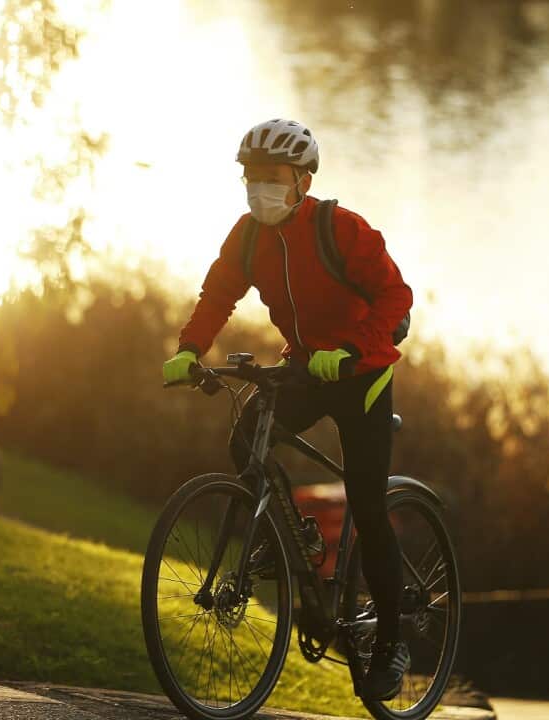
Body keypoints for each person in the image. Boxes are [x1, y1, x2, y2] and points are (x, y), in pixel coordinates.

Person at [161, 118, 414, 701]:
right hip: (305, 365)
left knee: (369, 506)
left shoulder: (339, 228)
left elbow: (395, 296)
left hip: (362, 372)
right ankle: (289, 542)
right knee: (245, 437)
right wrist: (189, 350)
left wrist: (353, 348)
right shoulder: (248, 236)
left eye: (272, 178)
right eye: (251, 178)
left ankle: (392, 640)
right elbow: (218, 294)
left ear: (301, 180)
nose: (259, 190)